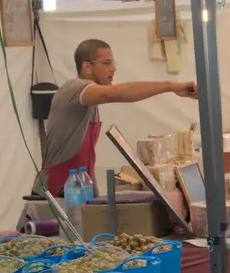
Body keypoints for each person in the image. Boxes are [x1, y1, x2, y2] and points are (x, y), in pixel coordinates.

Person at [39, 38, 196, 195]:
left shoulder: (90, 101)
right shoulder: (75, 89)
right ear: (87, 67)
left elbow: (84, 158)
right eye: (107, 63)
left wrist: (93, 192)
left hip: (78, 185)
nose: (113, 69)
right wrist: (170, 86)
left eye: (113, 63)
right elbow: (119, 93)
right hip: (56, 188)